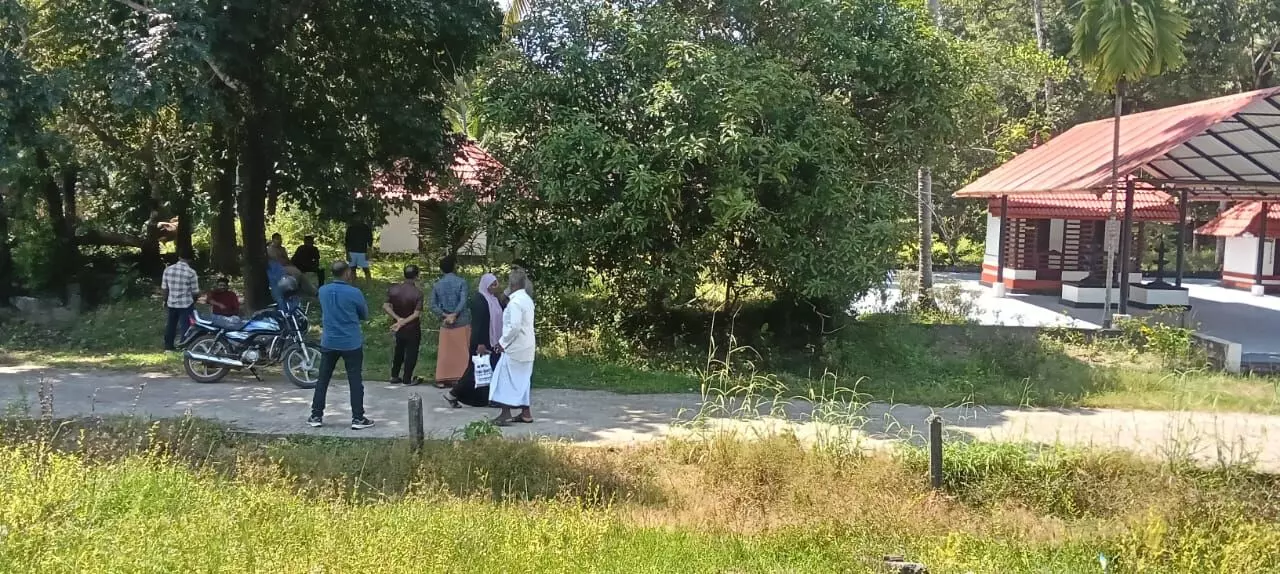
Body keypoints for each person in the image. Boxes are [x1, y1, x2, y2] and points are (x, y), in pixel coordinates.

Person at [308, 261, 375, 430]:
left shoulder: (323, 291)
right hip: (351, 342)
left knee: (323, 379)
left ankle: (316, 415)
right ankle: (358, 418)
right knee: (355, 380)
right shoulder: (355, 292)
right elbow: (364, 314)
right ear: (347, 273)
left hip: (329, 341)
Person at [443, 272, 505, 408]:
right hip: (481, 342)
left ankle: (487, 398)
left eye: (496, 283)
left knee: (488, 370)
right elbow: (478, 324)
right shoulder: (480, 300)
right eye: (492, 284)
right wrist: (480, 344)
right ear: (486, 285)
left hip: (492, 340)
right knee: (474, 370)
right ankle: (453, 393)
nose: (496, 286)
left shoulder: (493, 300)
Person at [489, 268, 535, 425]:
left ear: (512, 285)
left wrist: (502, 343)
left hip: (515, 348)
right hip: (527, 346)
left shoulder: (515, 303)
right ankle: (526, 413)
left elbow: (514, 326)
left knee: (504, 379)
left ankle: (505, 413)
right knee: (523, 380)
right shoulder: (527, 299)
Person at [428, 255, 471, 388]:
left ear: (441, 269)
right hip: (461, 321)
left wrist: (445, 315)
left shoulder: (437, 285)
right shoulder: (462, 282)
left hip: (445, 322)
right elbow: (463, 301)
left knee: (445, 352)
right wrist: (455, 314)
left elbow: (432, 305)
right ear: (454, 267)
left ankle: (442, 378)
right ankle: (460, 377)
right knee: (462, 351)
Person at [384, 264, 424, 385]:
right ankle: (407, 378)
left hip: (398, 328)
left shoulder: (393, 289)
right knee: (411, 352)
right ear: (416, 276)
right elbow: (416, 314)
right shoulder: (418, 293)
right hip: (412, 328)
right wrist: (403, 322)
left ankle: (394, 375)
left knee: (399, 351)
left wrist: (398, 319)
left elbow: (386, 306)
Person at [161, 250, 201, 351]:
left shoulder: (168, 270)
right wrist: (194, 301)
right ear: (190, 260)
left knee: (171, 325)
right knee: (186, 325)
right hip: (186, 303)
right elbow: (195, 292)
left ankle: (168, 346)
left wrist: (165, 300)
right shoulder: (191, 272)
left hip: (171, 303)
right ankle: (184, 346)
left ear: (179, 257)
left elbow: (165, 288)